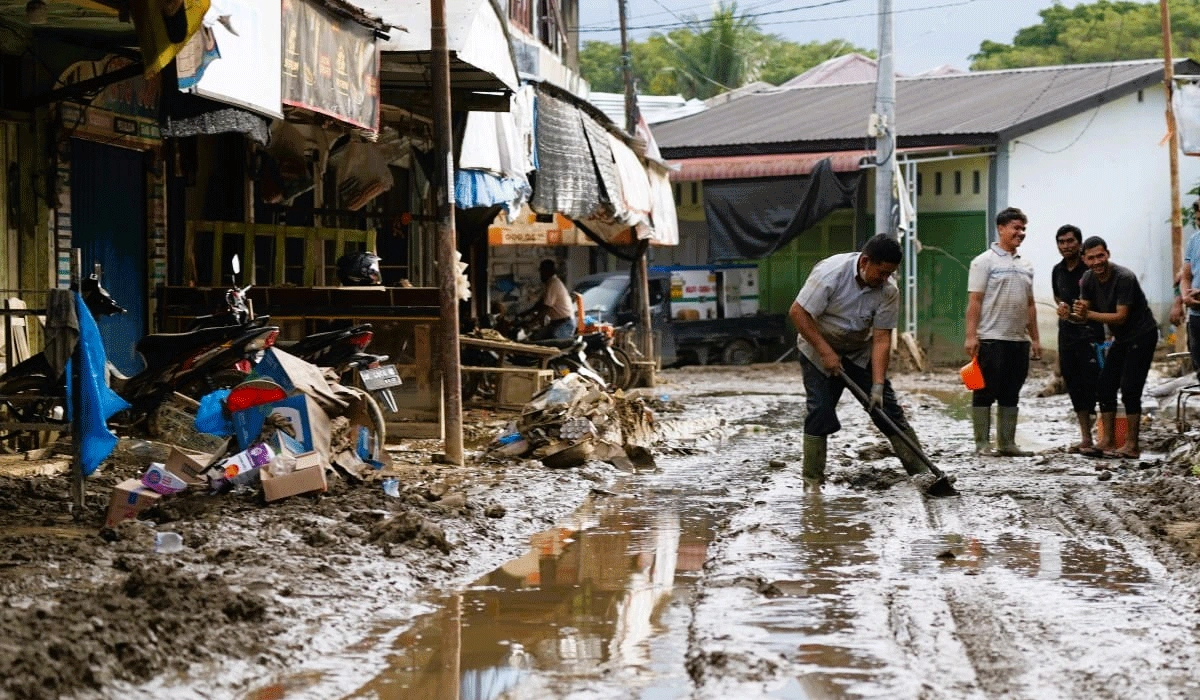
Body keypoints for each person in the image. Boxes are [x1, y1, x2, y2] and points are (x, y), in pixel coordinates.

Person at [789, 234, 931, 491]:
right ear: (865, 261)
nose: (884, 278)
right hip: (817, 348)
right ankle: (812, 481)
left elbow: (881, 338)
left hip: (858, 352)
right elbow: (798, 313)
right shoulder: (831, 274)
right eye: (881, 272)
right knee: (820, 410)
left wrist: (877, 385)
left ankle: (923, 472)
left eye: (890, 274)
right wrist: (826, 352)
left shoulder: (888, 290)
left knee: (887, 410)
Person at [965, 207, 1041, 456]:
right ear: (1001, 228)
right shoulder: (983, 262)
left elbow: (1030, 304)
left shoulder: (1026, 265)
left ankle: (1007, 443)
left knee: (1011, 391)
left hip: (1018, 340)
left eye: (1023, 229)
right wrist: (971, 336)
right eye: (1016, 228)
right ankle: (982, 444)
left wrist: (1035, 339)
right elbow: (975, 301)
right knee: (984, 391)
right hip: (991, 339)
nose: (1021, 233)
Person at [1073, 237, 1158, 459]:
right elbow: (1084, 314)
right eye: (1091, 258)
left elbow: (1121, 317)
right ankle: (1108, 440)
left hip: (1142, 334)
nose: (1097, 262)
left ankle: (1132, 445)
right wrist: (1071, 315)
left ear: (1108, 254)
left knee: (1130, 388)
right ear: (1084, 260)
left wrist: (1087, 314)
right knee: (1105, 385)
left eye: (1100, 256)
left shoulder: (1124, 277)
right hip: (1121, 338)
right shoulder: (1088, 279)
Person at [1051, 225, 1104, 455]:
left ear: (1079, 243)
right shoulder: (1058, 270)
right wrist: (1062, 308)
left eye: (1070, 241)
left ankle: (1105, 437)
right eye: (1061, 242)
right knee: (1074, 384)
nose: (1066, 246)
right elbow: (1058, 296)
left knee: (1098, 384)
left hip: (1092, 335)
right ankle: (1086, 438)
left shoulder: (1090, 269)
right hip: (1067, 336)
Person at [527, 259, 577, 340]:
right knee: (537, 338)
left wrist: (532, 322)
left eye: (542, 272)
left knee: (553, 344)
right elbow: (540, 304)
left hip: (564, 323)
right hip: (556, 322)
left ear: (548, 272)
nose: (540, 275)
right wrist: (526, 313)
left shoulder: (553, 284)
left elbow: (546, 307)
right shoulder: (549, 283)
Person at [1179, 200, 1200, 377]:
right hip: (1196, 316)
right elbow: (1186, 277)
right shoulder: (1194, 240)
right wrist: (1185, 296)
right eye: (1199, 219)